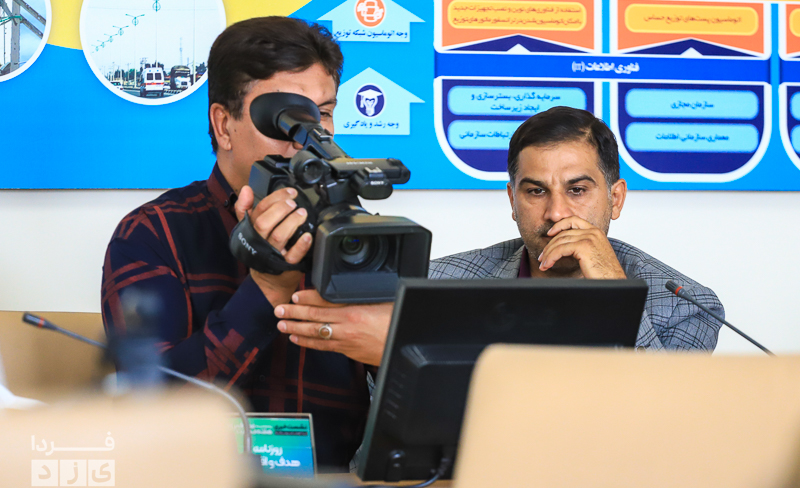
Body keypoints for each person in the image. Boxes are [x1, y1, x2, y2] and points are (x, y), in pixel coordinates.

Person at [101, 17, 372, 471]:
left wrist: (390, 350)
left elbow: (424, 411)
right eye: (285, 118)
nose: (307, 139)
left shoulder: (355, 234)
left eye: (322, 114)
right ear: (224, 125)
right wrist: (266, 288)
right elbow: (149, 406)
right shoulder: (152, 233)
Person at [275, 107, 724, 353]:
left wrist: (614, 291)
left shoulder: (687, 307)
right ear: (512, 200)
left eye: (577, 190)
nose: (556, 213)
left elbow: (667, 425)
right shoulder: (435, 285)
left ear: (616, 198)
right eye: (535, 191)